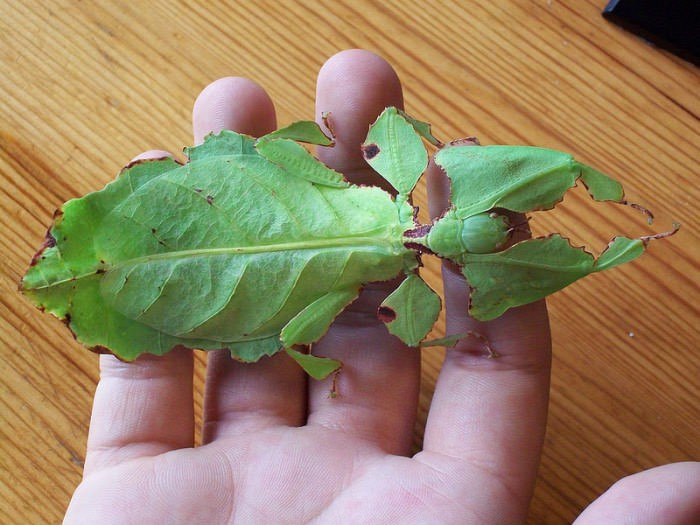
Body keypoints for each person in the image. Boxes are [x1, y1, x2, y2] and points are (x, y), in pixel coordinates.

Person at [64, 49, 699, 524]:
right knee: (294, 332)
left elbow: (372, 135)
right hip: (171, 252)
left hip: (213, 241)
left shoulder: (397, 204)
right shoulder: (408, 293)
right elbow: (378, 333)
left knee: (291, 325)